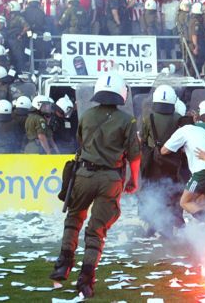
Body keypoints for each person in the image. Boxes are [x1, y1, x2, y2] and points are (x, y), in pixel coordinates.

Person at [50, 73, 141, 298]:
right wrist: (134, 180)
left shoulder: (87, 115)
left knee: (74, 219)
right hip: (110, 179)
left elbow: (81, 144)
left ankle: (63, 265)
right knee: (96, 230)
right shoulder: (127, 120)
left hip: (83, 175)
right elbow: (135, 156)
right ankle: (86, 280)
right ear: (121, 93)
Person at [160, 117, 205, 226]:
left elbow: (164, 151)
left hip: (203, 171)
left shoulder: (182, 130)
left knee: (185, 202)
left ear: (179, 126)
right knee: (201, 202)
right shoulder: (201, 130)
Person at [139, 85, 184, 237]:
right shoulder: (178, 117)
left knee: (152, 192)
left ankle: (152, 224)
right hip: (173, 161)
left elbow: (144, 139)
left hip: (153, 163)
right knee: (171, 193)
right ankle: (168, 228)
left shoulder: (147, 117)